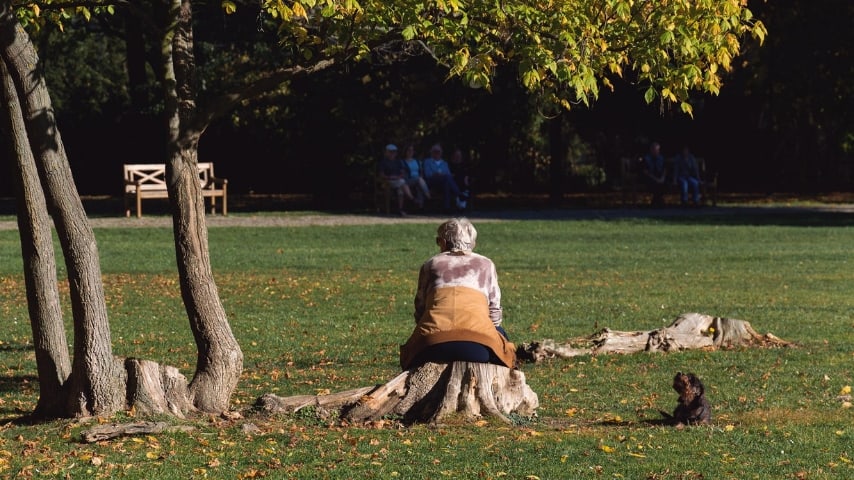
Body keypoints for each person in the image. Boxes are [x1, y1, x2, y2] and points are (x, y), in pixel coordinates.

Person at [399, 218, 516, 370]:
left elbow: (420, 309)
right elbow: (494, 312)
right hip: (478, 347)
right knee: (502, 339)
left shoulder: (431, 264)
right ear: (473, 243)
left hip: (431, 345)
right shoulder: (486, 264)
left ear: (443, 242)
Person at [422, 144, 466, 211]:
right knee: (447, 178)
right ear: (431, 152)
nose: (437, 153)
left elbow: (449, 174)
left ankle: (446, 208)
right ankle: (459, 194)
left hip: (443, 182)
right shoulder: (427, 162)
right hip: (432, 182)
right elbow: (428, 174)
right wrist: (437, 174)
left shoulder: (444, 163)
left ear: (441, 152)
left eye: (438, 151)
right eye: (435, 151)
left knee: (447, 182)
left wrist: (442, 175)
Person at [378, 144, 419, 215]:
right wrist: (390, 177)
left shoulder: (398, 162)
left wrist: (399, 176)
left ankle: (400, 210)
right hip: (388, 181)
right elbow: (381, 175)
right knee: (402, 182)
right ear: (386, 152)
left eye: (394, 152)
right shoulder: (383, 162)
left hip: (398, 181)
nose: (392, 154)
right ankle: (412, 199)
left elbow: (402, 172)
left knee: (401, 190)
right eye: (390, 152)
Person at [641, 141, 667, 207]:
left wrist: (662, 178)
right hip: (650, 178)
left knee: (663, 183)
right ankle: (659, 202)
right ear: (651, 150)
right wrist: (656, 179)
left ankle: (656, 202)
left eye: (658, 150)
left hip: (660, 178)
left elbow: (665, 169)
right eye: (655, 150)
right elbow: (646, 172)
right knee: (656, 184)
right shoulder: (646, 159)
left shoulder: (661, 158)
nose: (656, 151)